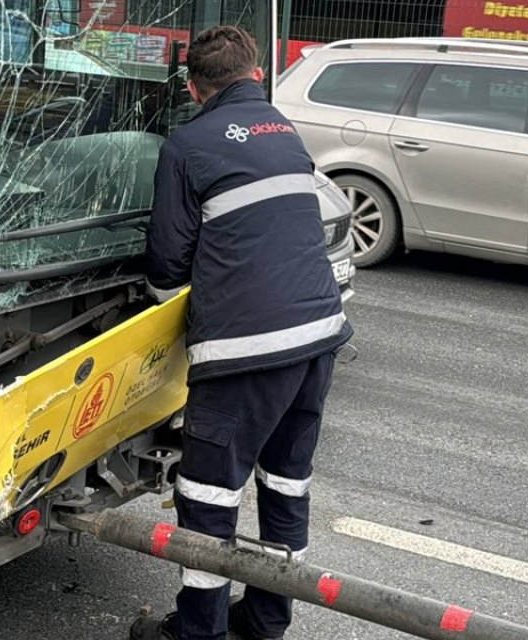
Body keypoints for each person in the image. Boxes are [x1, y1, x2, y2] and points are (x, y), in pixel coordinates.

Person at [132, 25, 353, 640]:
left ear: (193, 88)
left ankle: (196, 633)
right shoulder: (285, 133)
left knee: (207, 497)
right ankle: (264, 622)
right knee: (285, 483)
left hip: (245, 353)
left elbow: (167, 265)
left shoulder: (187, 143)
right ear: (257, 76)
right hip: (319, 336)